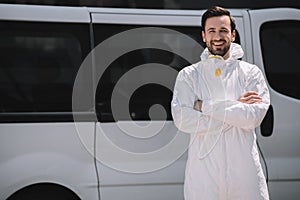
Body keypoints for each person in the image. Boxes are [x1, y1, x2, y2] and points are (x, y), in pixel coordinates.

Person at [171, 6, 270, 200]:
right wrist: (235, 108)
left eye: (223, 31)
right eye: (212, 31)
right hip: (204, 180)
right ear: (203, 36)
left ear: (233, 35)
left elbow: (253, 117)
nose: (218, 36)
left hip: (245, 178)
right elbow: (183, 119)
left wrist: (205, 106)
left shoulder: (250, 73)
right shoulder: (189, 76)